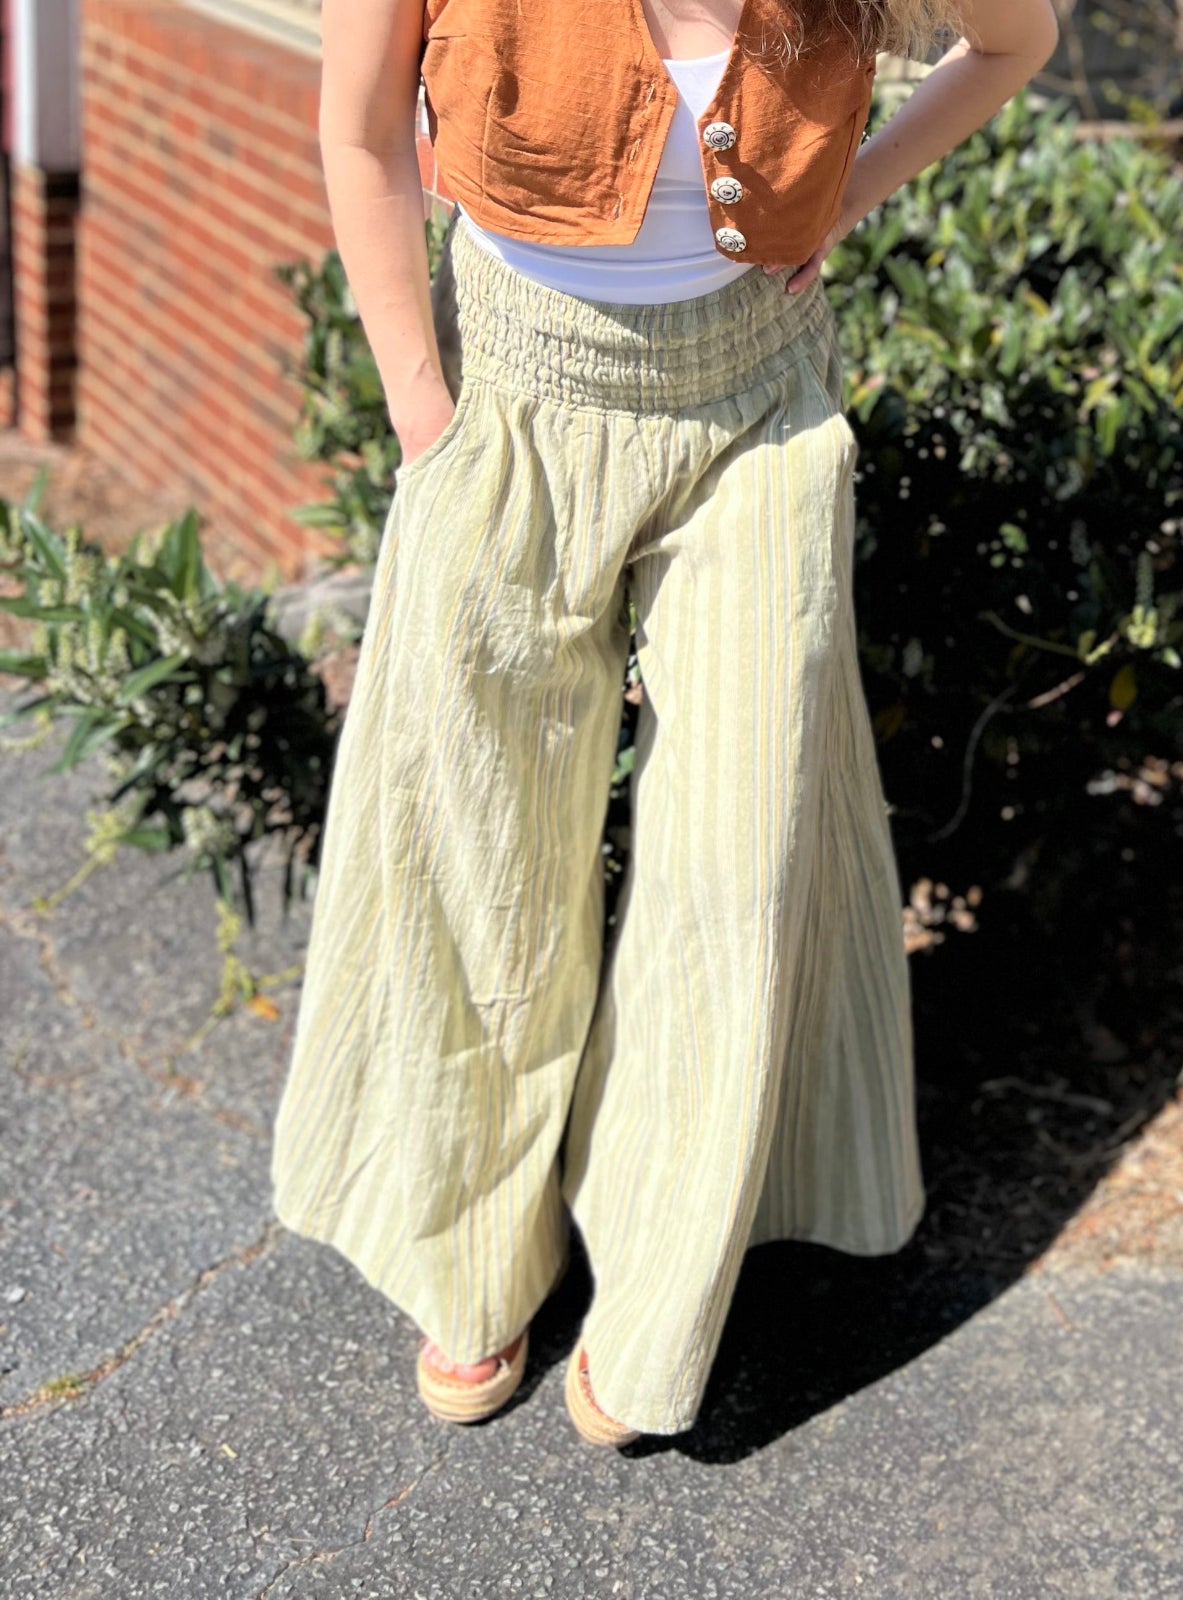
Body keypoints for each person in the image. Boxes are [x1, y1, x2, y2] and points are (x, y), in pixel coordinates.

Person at [271, 0, 1060, 1444]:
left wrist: (844, 188)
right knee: (484, 848)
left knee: (740, 860)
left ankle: (657, 1290)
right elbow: (359, 125)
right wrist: (422, 410)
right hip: (511, 397)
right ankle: (471, 1252)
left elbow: (1015, 41)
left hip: (760, 401)